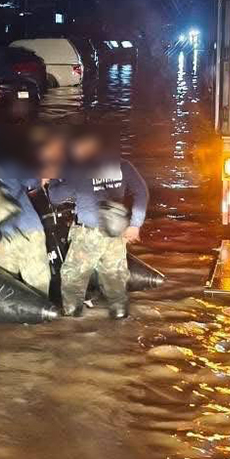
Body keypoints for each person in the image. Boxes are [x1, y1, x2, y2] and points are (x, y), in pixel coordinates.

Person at [48, 128, 148, 319]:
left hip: (89, 235)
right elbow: (141, 192)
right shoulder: (122, 166)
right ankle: (120, 318)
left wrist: (52, 179)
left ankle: (72, 320)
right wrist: (135, 224)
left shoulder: (80, 169)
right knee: (115, 280)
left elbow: (56, 197)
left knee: (73, 278)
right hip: (116, 233)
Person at [0, 172, 52, 297]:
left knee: (7, 291)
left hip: (0, 238)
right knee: (38, 287)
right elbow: (34, 180)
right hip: (29, 229)